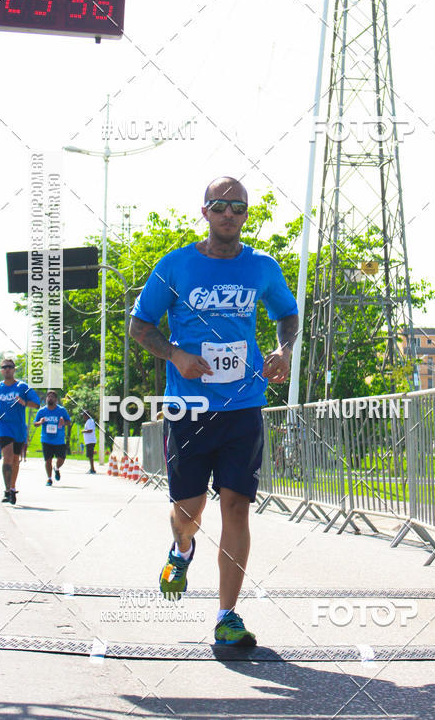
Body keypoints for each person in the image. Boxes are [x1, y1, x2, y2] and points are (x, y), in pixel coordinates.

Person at [130, 176, 298, 647]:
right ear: (204, 211)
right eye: (220, 206)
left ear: (246, 215)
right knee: (189, 511)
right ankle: (182, 549)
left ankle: (227, 616)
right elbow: (140, 326)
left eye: (238, 208)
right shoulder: (176, 265)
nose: (229, 214)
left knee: (236, 507)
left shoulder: (262, 267)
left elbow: (288, 315)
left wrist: (284, 350)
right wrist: (176, 355)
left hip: (244, 404)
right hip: (190, 406)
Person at [0, 359, 40, 504]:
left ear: (14, 369)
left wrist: (24, 402)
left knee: (15, 460)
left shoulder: (22, 387)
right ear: (1, 370)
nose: (7, 369)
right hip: (2, 425)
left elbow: (36, 404)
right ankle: (6, 489)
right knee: (8, 456)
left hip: (18, 427)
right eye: (4, 367)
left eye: (10, 367)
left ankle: (12, 488)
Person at [33, 391, 71, 486]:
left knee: (61, 459)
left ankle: (56, 468)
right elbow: (35, 423)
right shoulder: (42, 411)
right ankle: (49, 479)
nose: (50, 398)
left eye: (52, 397)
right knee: (48, 460)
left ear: (56, 399)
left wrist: (63, 423)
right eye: (48, 397)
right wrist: (40, 422)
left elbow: (68, 421)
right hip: (46, 439)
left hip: (59, 440)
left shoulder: (61, 410)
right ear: (46, 399)